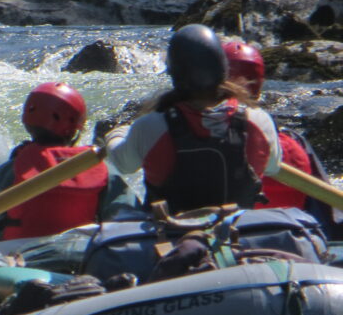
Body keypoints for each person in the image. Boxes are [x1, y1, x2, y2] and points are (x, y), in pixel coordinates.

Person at [105, 24, 282, 215]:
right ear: (223, 68)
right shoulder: (259, 120)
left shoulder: (150, 125)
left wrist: (116, 134)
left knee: (111, 179)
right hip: (237, 235)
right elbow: (273, 166)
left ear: (174, 74)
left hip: (171, 237)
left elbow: (123, 165)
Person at [0, 82, 134, 244]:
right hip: (82, 257)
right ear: (76, 128)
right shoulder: (101, 170)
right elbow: (128, 219)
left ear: (27, 122)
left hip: (17, 262)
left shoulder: (8, 173)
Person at [223, 39, 339, 226]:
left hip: (226, 236)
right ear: (259, 85)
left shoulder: (194, 135)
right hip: (289, 235)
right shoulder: (293, 144)